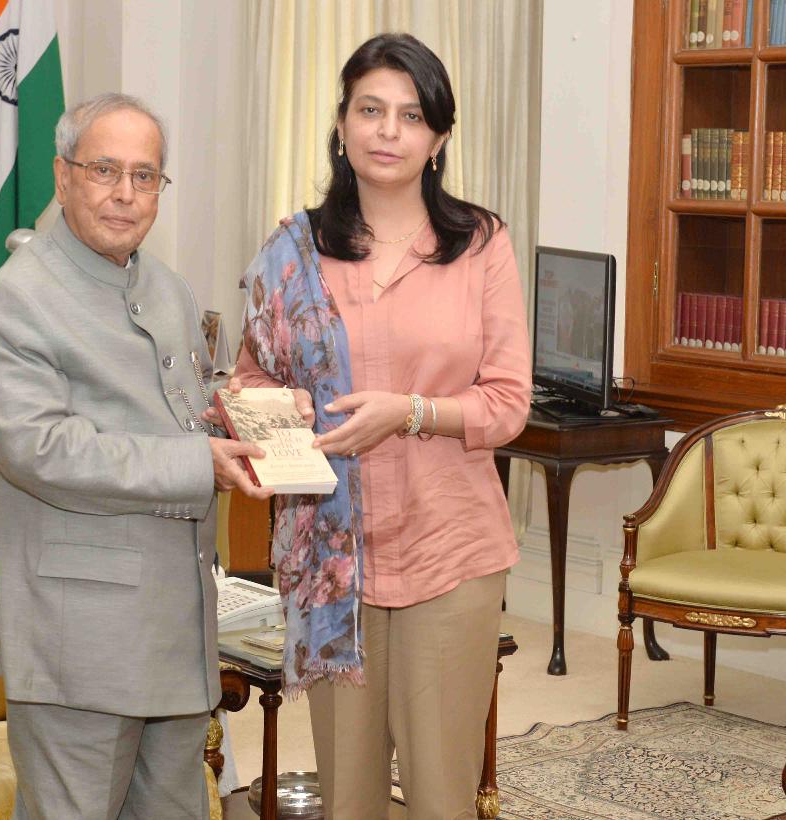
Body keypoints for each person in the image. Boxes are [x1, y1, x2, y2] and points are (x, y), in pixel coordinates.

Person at [228, 33, 532, 819]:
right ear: (342, 125)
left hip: (450, 552)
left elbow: (508, 404)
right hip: (336, 563)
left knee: (440, 794)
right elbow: (248, 381)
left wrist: (413, 414)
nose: (388, 131)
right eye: (370, 110)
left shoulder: (481, 245)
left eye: (411, 115)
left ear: (438, 139)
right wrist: (283, 411)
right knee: (349, 797)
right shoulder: (294, 251)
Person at [0, 93, 269, 820]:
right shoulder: (15, 300)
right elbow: (41, 450)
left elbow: (181, 406)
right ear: (62, 176)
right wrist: (199, 463)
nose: (126, 193)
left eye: (145, 175)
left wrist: (252, 413)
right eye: (105, 170)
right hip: (81, 640)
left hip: (176, 626)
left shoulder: (165, 287)